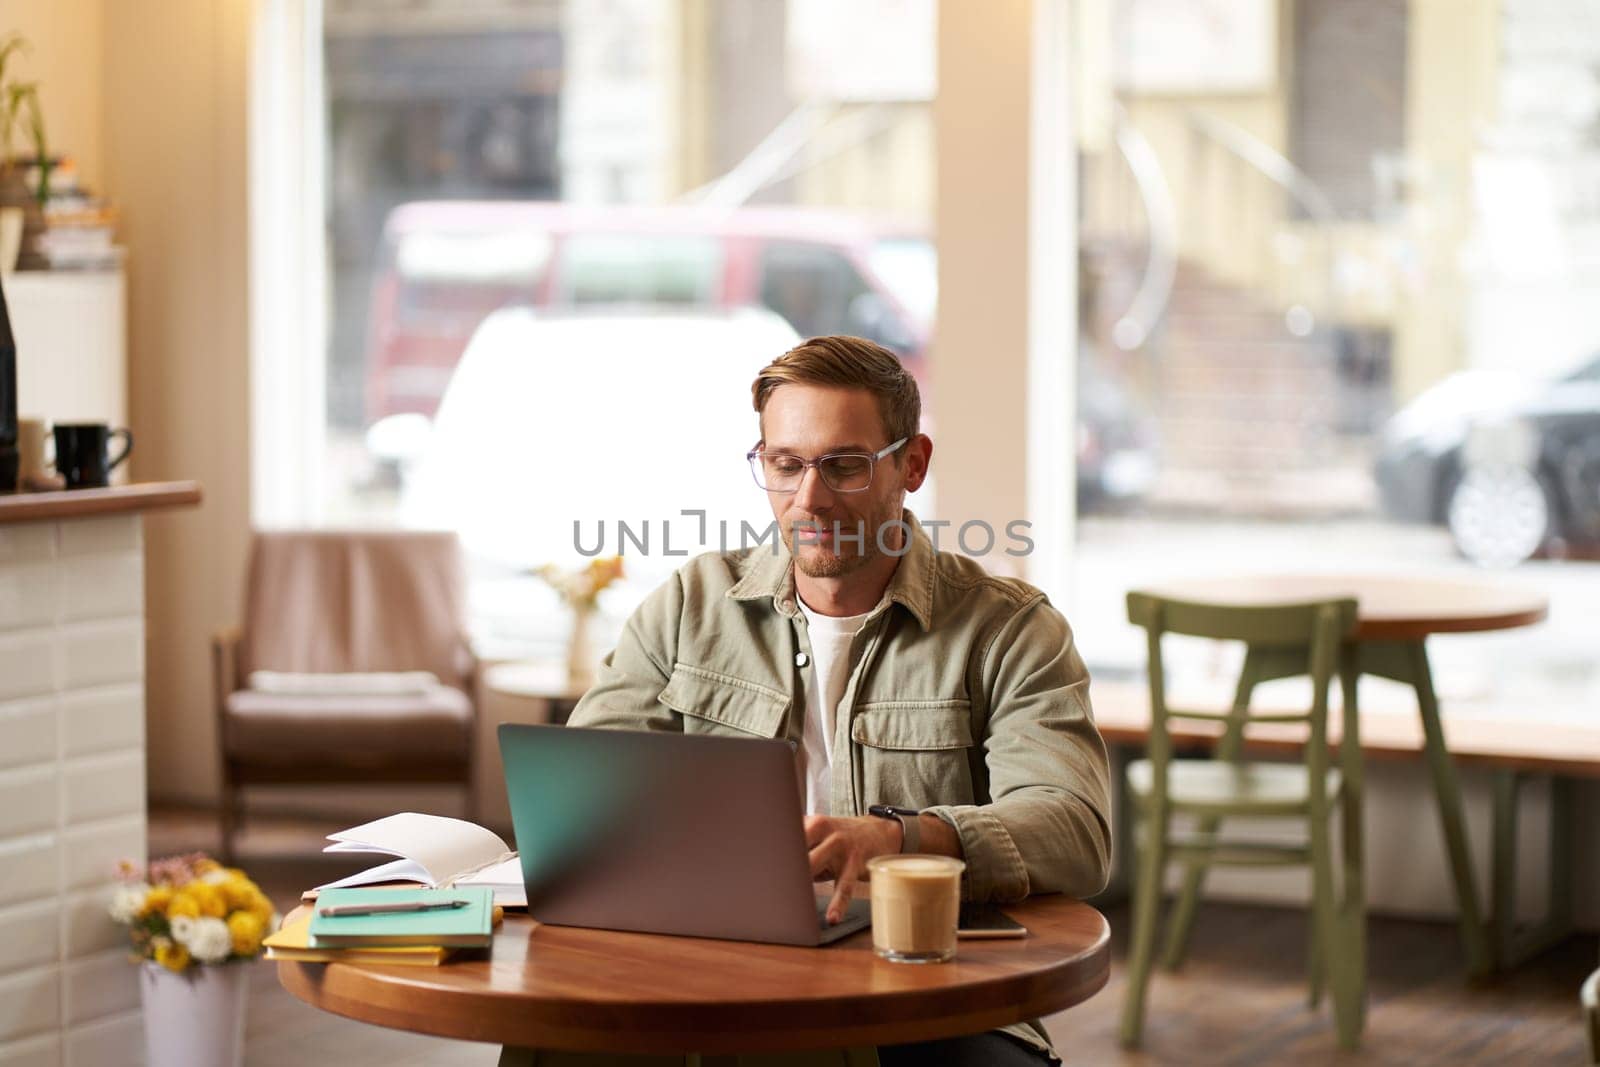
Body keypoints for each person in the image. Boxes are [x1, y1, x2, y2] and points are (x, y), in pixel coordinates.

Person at [568, 334, 1112, 1065]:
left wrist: (898, 838)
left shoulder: (1008, 628)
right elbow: (583, 800)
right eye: (785, 465)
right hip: (708, 979)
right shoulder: (690, 606)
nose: (809, 497)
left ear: (911, 464)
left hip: (928, 997)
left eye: (844, 466)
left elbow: (1074, 828)